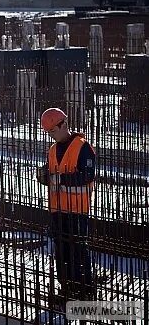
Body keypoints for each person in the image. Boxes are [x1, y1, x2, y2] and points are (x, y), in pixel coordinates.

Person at [36, 108, 97, 306]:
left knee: (78, 249)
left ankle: (86, 292)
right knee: (61, 251)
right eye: (49, 132)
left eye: (53, 131)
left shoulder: (83, 147)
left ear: (64, 124)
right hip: (57, 209)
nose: (52, 135)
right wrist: (43, 175)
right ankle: (67, 288)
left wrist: (59, 178)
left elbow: (87, 175)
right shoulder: (53, 149)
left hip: (77, 210)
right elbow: (52, 171)